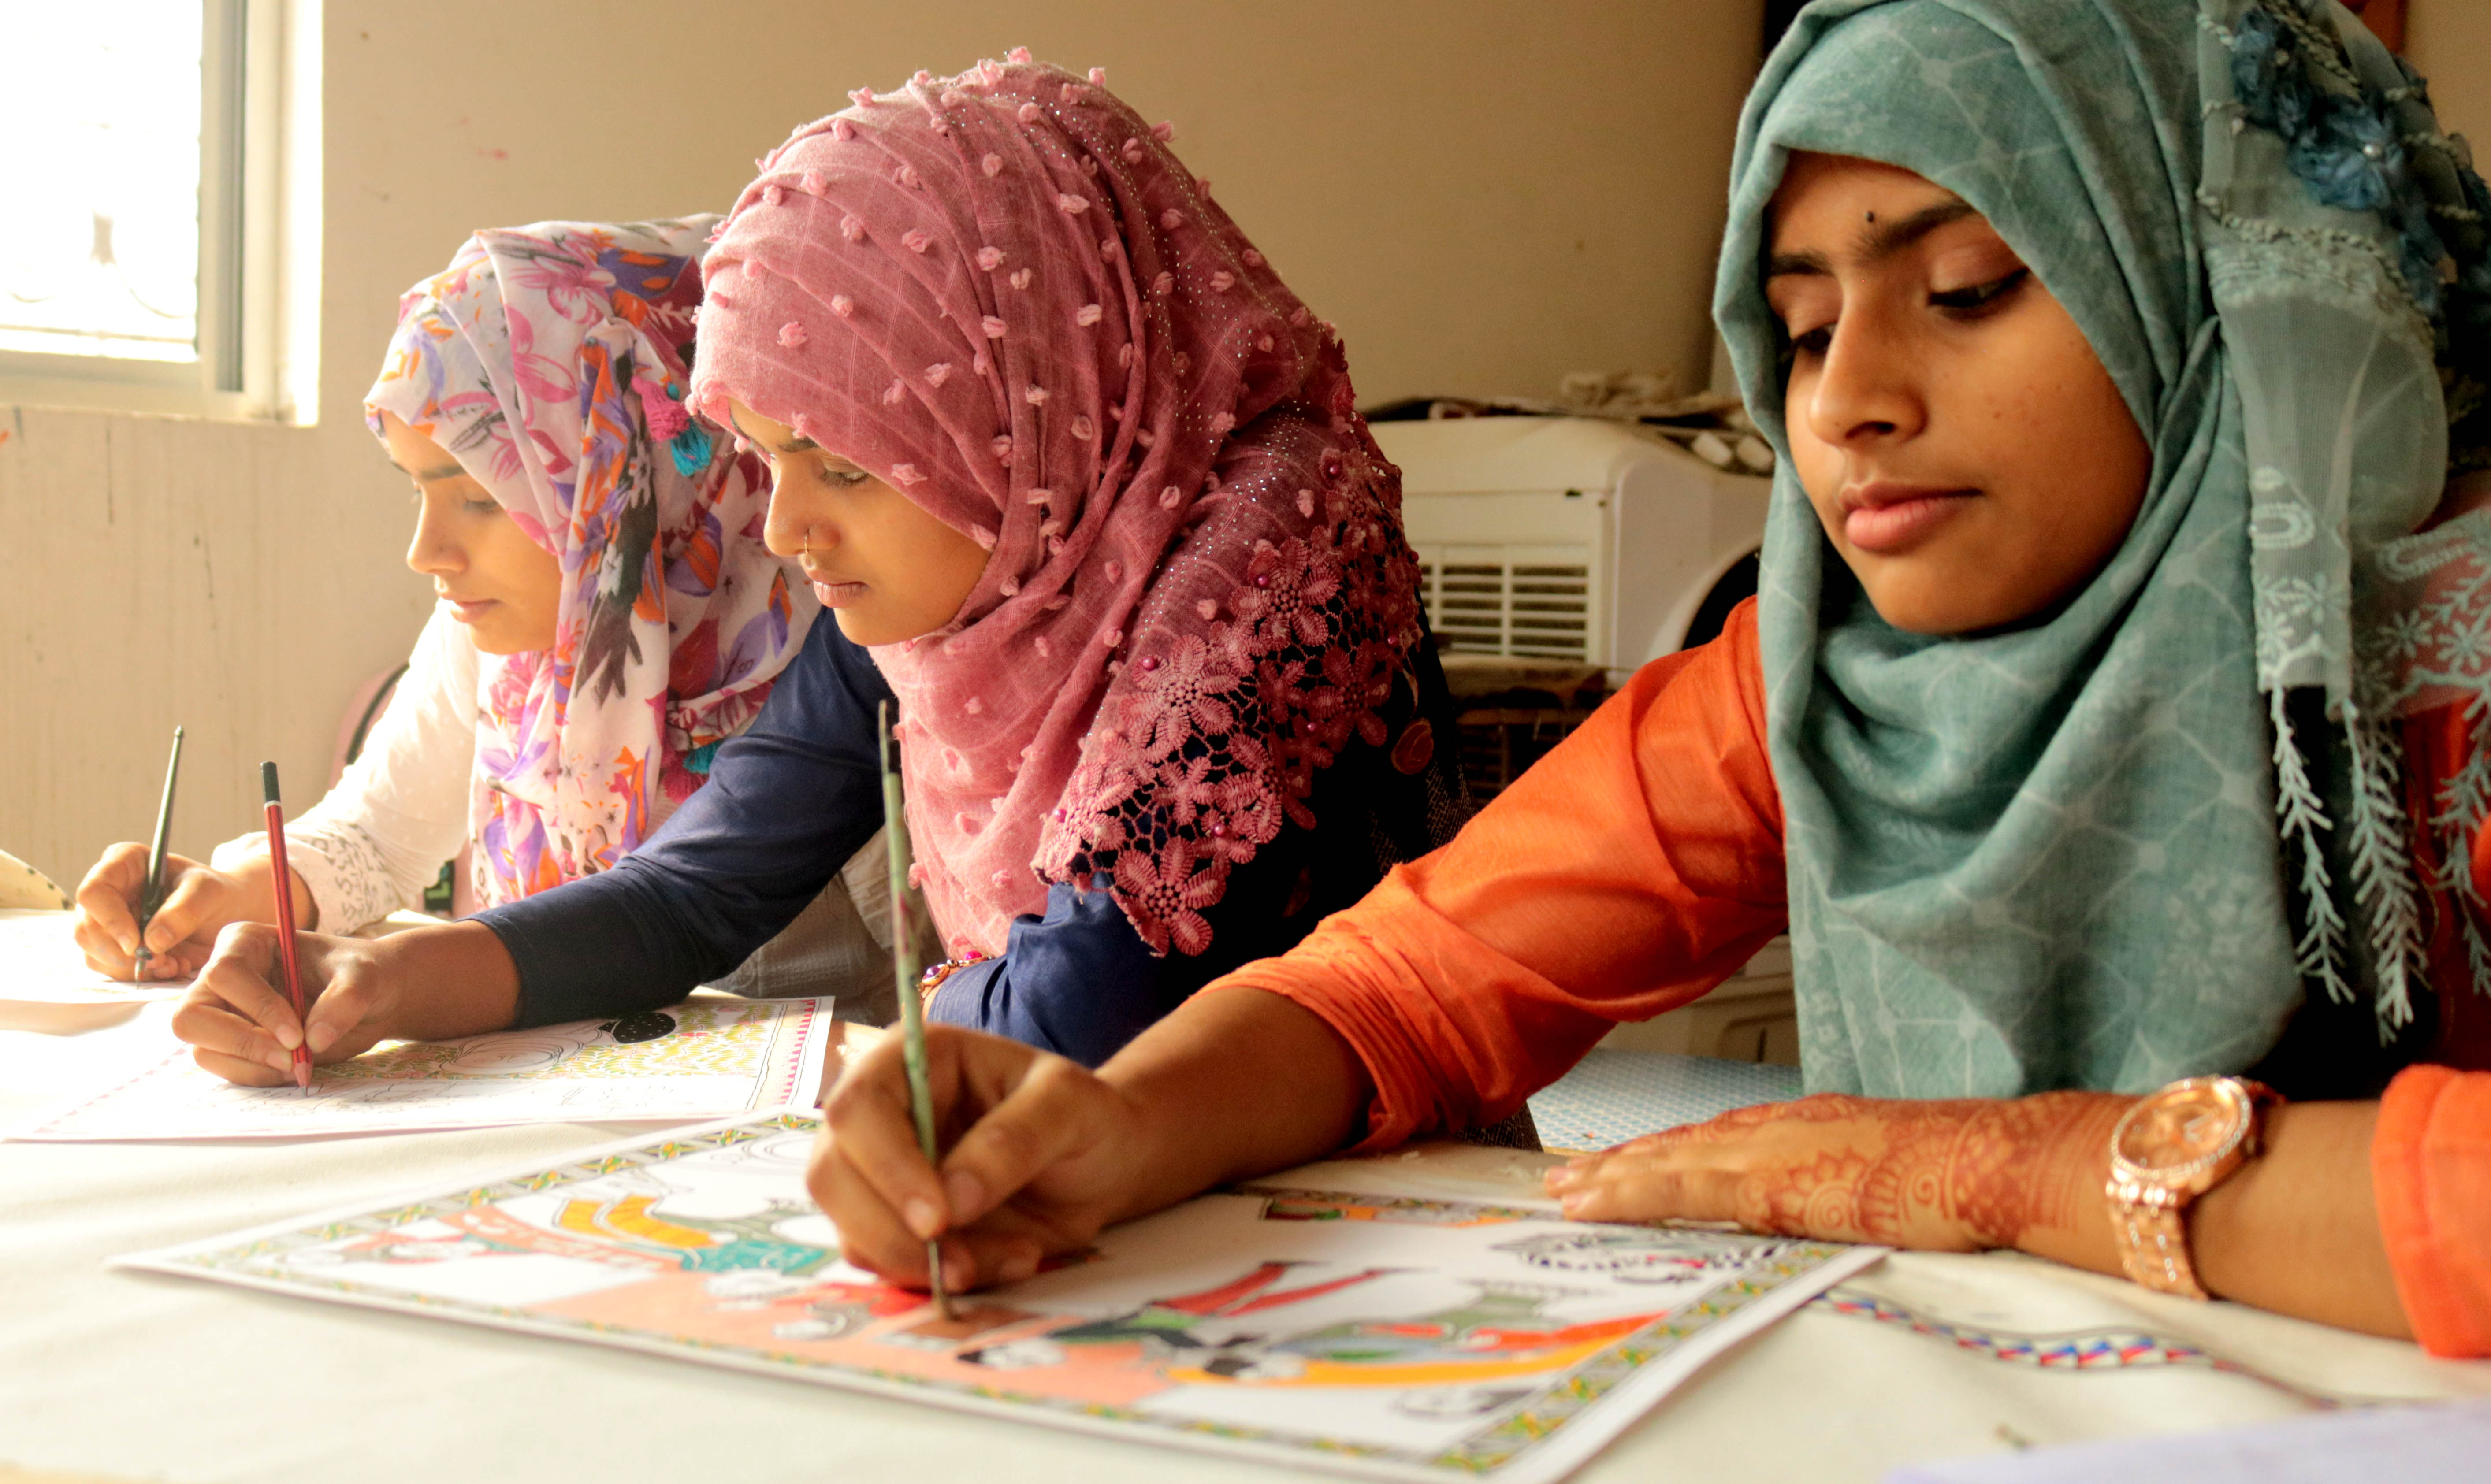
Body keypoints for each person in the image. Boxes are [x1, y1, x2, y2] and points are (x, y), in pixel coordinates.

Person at [806, 0, 2491, 1356]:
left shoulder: (2451, 662)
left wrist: (2004, 1160)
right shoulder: (1827, 672)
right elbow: (1414, 974)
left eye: (1967, 288)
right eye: (1805, 325)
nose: (1845, 406)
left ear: (2207, 296)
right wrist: (1111, 1121)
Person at [167, 56, 1472, 1082]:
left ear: (1027, 405)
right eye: (768, 459)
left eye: (843, 466)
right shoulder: (955, 585)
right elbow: (699, 890)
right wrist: (380, 978)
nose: (784, 531)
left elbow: (1090, 1014)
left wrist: (880, 1031)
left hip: (1360, 1227)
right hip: (1066, 1191)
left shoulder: (1269, 563)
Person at [76, 220, 900, 1010]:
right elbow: (378, 838)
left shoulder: (843, 629)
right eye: (418, 487)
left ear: (633, 478)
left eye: (480, 497)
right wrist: (226, 895)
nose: (425, 551)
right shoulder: (508, 636)